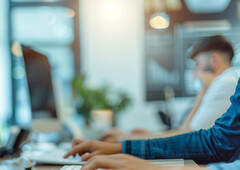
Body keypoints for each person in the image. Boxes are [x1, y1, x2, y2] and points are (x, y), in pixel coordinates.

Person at [64, 76, 240, 170]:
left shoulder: (223, 82)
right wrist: (122, 147)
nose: (194, 74)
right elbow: (221, 141)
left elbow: (204, 136)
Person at [102, 35, 238, 142]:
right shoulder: (225, 82)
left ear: (215, 61)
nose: (194, 74)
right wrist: (140, 136)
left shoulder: (225, 84)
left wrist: (125, 138)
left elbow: (187, 136)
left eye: (197, 64)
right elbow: (185, 133)